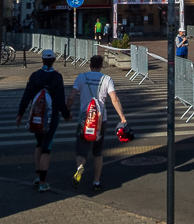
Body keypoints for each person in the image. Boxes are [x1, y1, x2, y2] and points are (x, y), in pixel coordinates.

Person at [70, 55, 128, 192]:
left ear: (90, 65)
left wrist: (67, 111)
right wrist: (122, 117)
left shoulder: (81, 77)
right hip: (100, 121)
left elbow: (71, 96)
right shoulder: (107, 79)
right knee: (98, 151)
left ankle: (80, 168)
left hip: (84, 120)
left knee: (81, 150)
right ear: (102, 65)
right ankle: (96, 182)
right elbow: (114, 99)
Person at [16, 49, 71, 192]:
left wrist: (20, 113)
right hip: (50, 118)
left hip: (36, 116)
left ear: (42, 60)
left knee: (38, 143)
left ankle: (37, 175)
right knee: (47, 147)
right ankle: (43, 181)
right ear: (53, 60)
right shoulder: (57, 77)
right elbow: (59, 99)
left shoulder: (35, 76)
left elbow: (27, 95)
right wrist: (66, 114)